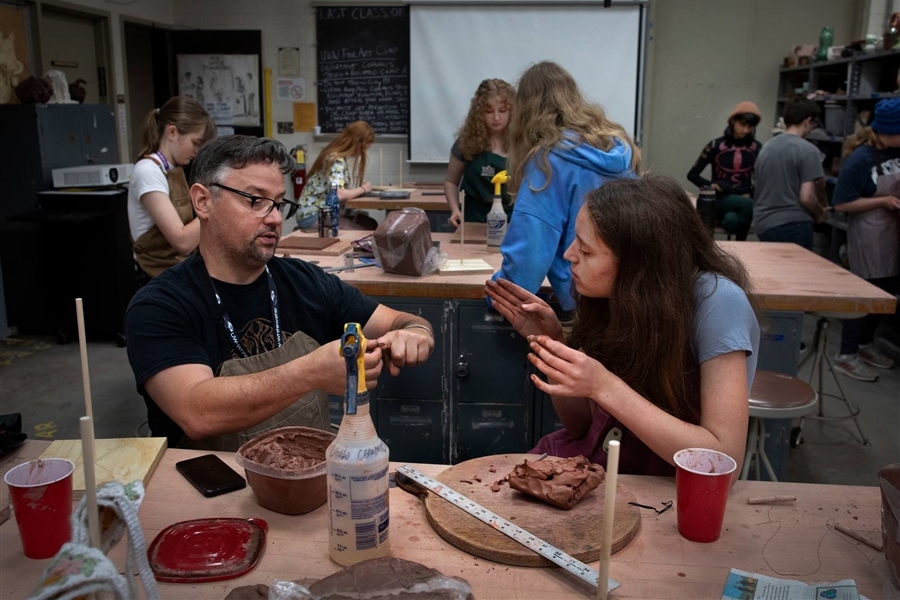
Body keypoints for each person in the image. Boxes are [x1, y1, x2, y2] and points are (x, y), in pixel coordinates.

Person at [126, 135, 435, 450]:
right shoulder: (161, 306)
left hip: (303, 481)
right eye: (255, 200)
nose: (274, 218)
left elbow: (401, 322)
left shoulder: (304, 282)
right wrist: (310, 372)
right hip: (211, 493)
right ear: (203, 201)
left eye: (278, 203)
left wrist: (415, 333)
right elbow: (198, 413)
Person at [485, 175, 760, 477]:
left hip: (663, 486)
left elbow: (723, 462)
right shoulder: (617, 295)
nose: (568, 255)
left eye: (586, 251)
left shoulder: (718, 302)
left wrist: (605, 386)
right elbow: (583, 428)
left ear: (638, 263)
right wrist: (554, 344)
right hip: (603, 466)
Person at [492, 61, 640, 313]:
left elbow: (526, 269)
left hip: (586, 306)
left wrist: (494, 295)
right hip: (635, 298)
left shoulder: (549, 162)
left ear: (525, 110)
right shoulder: (618, 147)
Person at [830, 97, 900, 381]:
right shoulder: (860, 159)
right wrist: (883, 201)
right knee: (865, 290)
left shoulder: (893, 152)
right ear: (886, 132)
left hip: (891, 228)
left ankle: (865, 345)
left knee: (885, 290)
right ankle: (846, 353)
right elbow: (841, 204)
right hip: (869, 230)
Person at [128, 96, 216, 279]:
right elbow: (182, 241)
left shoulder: (173, 169)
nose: (197, 151)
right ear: (172, 132)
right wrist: (219, 205)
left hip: (177, 270)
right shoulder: (147, 171)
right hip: (154, 276)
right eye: (196, 143)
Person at [752, 98, 829, 250]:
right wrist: (821, 213)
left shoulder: (767, 147)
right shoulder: (808, 150)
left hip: (763, 223)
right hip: (794, 224)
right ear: (807, 121)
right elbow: (806, 197)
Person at [444, 79, 515, 227]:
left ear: (512, 111)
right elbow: (451, 182)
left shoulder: (521, 142)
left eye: (502, 111)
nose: (496, 118)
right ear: (479, 113)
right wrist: (455, 209)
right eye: (489, 112)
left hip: (511, 222)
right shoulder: (466, 142)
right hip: (473, 220)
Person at [686, 101, 762, 240]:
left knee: (732, 221)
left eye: (750, 126)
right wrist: (711, 186)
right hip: (721, 198)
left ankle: (735, 245)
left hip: (743, 200)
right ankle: (743, 245)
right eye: (742, 124)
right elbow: (692, 175)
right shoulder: (715, 145)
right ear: (733, 121)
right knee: (749, 206)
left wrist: (752, 192)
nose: (745, 130)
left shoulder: (757, 148)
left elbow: (763, 178)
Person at [295, 120, 375, 230]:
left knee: (371, 224)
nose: (363, 152)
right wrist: (364, 189)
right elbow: (338, 194)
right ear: (356, 142)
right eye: (364, 148)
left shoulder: (338, 157)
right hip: (313, 215)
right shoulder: (335, 159)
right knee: (363, 232)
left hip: (322, 213)